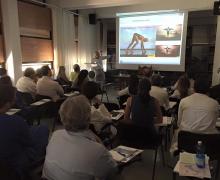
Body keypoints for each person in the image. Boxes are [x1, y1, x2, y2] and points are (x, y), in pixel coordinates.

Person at [42, 95, 117, 180]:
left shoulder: (55, 135)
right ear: (89, 118)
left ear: (62, 116)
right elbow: (112, 171)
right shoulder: (97, 150)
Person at [0, 84, 49, 178]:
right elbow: (29, 143)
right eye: (14, 97)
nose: (15, 99)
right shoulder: (15, 121)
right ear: (7, 103)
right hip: (15, 165)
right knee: (42, 130)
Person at [170, 78, 219, 153]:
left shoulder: (184, 101)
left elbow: (179, 123)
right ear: (208, 89)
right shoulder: (215, 104)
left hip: (186, 143)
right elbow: (214, 123)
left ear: (194, 88)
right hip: (207, 145)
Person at [123, 78, 163, 143]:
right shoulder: (155, 101)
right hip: (150, 137)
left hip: (134, 136)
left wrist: (136, 121)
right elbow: (160, 120)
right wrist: (149, 121)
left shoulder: (130, 100)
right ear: (150, 88)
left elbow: (126, 119)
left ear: (138, 87)